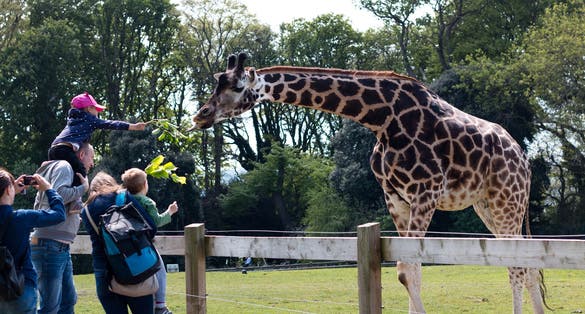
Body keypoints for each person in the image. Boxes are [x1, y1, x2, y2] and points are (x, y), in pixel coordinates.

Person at [31, 143, 95, 314]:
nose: (92, 163)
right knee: (50, 307)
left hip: (58, 246)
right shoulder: (64, 166)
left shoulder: (60, 169)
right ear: (81, 155)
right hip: (50, 245)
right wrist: (83, 188)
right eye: (92, 157)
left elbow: (59, 199)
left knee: (68, 300)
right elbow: (58, 195)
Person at [81, 171, 157, 314]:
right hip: (136, 267)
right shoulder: (124, 196)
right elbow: (151, 227)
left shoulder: (86, 211)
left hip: (105, 274)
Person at [0, 169, 66, 314]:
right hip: (20, 286)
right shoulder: (21, 218)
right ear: (7, 190)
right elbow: (59, 214)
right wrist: (49, 189)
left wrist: (10, 190)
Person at [49, 92, 146, 186]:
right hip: (64, 150)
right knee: (80, 173)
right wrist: (133, 127)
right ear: (89, 108)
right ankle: (74, 194)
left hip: (53, 149)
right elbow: (111, 124)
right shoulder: (90, 119)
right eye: (97, 109)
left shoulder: (73, 119)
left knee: (55, 173)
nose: (98, 113)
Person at [121, 168, 179, 314]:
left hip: (130, 243)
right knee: (160, 271)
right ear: (145, 185)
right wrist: (170, 211)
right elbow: (157, 221)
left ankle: (151, 302)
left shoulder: (123, 200)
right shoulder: (148, 203)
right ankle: (160, 305)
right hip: (146, 243)